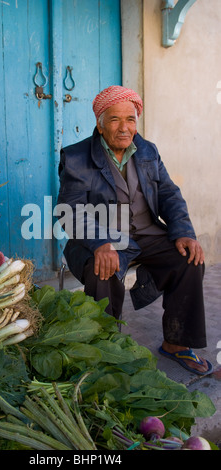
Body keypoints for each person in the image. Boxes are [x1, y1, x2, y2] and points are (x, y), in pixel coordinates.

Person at [57, 85, 212, 376]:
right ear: (100, 125)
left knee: (188, 259)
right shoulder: (77, 157)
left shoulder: (147, 151)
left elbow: (169, 194)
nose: (124, 127)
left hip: (146, 233)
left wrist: (183, 231)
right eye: (115, 119)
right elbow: (70, 209)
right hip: (102, 236)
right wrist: (100, 242)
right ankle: (104, 347)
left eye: (130, 119)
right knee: (102, 268)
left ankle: (177, 343)